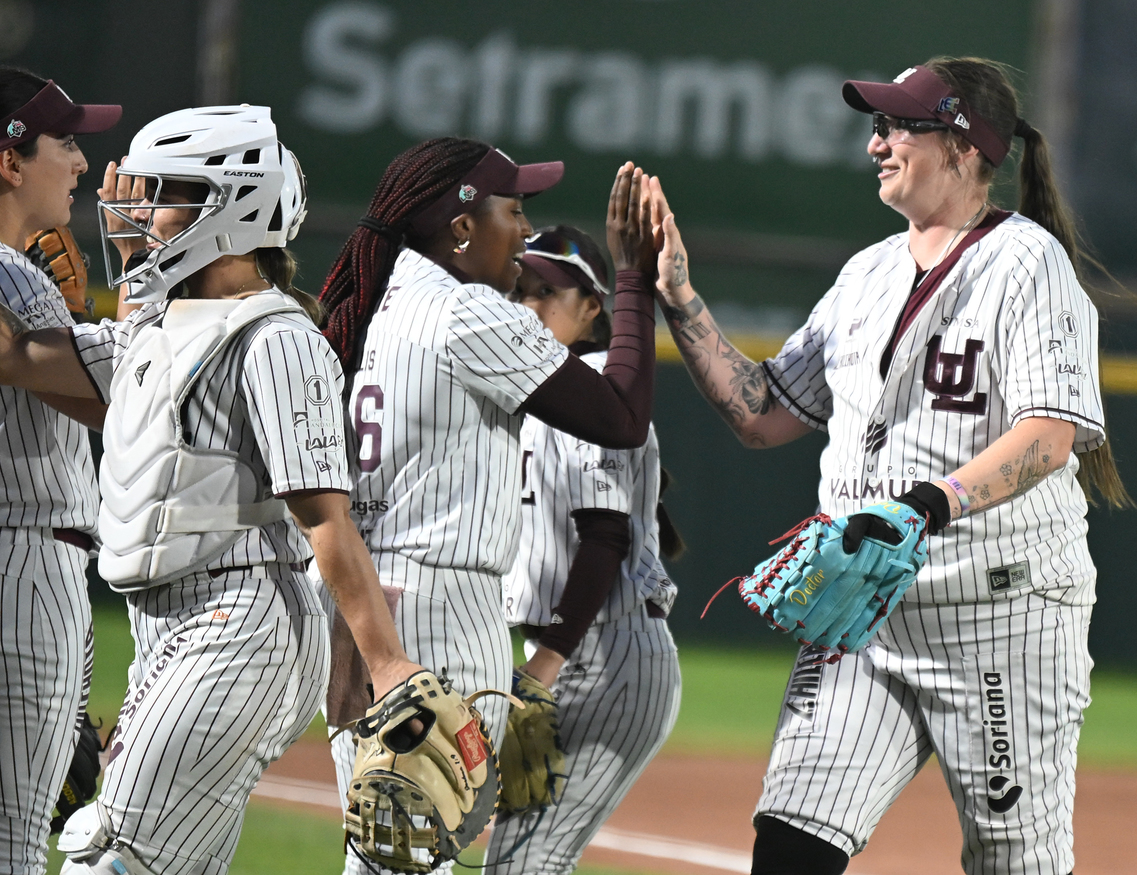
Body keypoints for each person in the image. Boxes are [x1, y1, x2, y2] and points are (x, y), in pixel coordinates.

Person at [652, 57, 1130, 875]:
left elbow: (1050, 437)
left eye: (898, 124)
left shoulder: (1027, 264)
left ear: (963, 145)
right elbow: (763, 414)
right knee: (790, 844)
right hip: (863, 614)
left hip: (1000, 615)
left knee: (1015, 862)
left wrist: (923, 506)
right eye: (877, 125)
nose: (877, 142)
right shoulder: (865, 274)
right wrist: (681, 296)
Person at [0, 104, 422, 875]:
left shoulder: (277, 334)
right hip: (173, 627)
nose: (135, 212)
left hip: (240, 621)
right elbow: (16, 355)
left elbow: (325, 518)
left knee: (111, 857)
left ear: (228, 208)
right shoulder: (160, 330)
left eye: (161, 194)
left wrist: (387, 663)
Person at [316, 139, 664, 875]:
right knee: (408, 861)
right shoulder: (465, 310)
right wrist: (633, 279)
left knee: (383, 856)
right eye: (515, 209)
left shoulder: (365, 305)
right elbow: (619, 415)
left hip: (361, 606)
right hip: (441, 607)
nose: (526, 232)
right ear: (463, 226)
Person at [487, 225, 683, 874]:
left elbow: (606, 536)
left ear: (594, 308)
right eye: (521, 290)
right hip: (569, 650)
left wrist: (544, 665)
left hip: (602, 655)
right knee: (517, 861)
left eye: (550, 292)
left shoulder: (596, 382)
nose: (529, 305)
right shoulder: (531, 389)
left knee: (527, 862)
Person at [0, 67, 119, 875]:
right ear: (10, 160)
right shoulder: (16, 279)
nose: (80, 162)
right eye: (66, 142)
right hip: (25, 555)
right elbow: (119, 410)